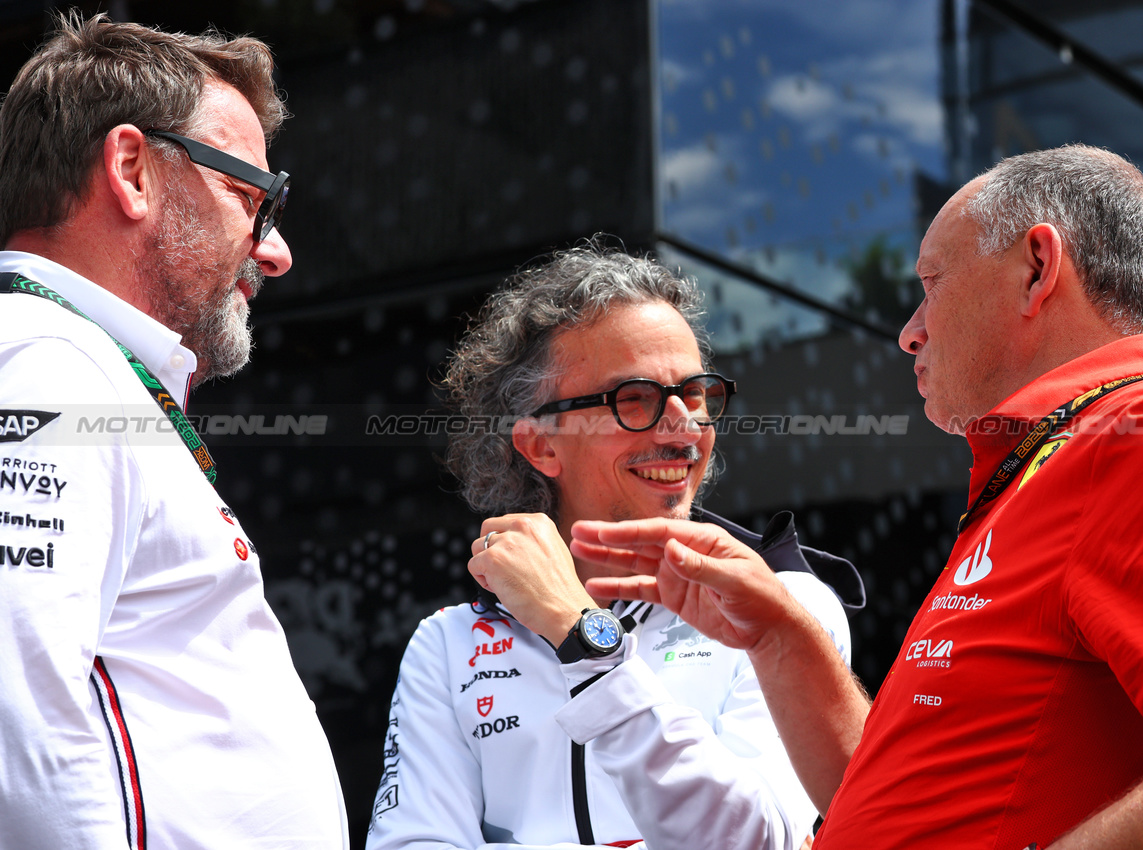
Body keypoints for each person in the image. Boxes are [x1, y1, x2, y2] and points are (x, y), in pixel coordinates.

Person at [578, 144, 1143, 848]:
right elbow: (915, 809)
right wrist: (777, 636)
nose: (908, 331)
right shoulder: (1057, 463)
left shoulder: (1141, 436)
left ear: (1037, 269)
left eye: (931, 282)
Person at [366, 242, 863, 850]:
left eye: (697, 393)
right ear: (541, 446)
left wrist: (584, 640)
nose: (683, 427)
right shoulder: (447, 644)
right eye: (635, 399)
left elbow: (756, 842)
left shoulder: (785, 604)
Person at [0, 13, 348, 849]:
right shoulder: (46, 361)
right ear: (132, 170)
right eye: (251, 198)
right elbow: (18, 734)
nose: (277, 252)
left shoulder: (75, 369)